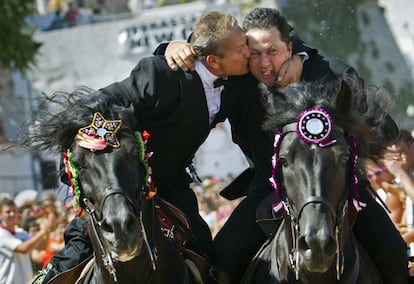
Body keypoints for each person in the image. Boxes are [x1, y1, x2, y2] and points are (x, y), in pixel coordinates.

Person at [162, 7, 408, 283]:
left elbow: (387, 129)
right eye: (255, 54)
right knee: (222, 257)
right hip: (268, 187)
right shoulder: (239, 82)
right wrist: (172, 48)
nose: (264, 64)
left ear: (290, 46)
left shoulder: (331, 71)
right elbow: (207, 60)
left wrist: (311, 82)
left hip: (340, 187)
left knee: (395, 253)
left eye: (273, 51)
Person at [32, 11, 256, 283]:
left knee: (205, 252)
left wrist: (176, 44)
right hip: (126, 184)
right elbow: (97, 105)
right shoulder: (160, 74)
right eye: (242, 48)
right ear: (213, 62)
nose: (250, 51)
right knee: (76, 249)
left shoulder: (236, 80)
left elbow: (215, 43)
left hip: (172, 184)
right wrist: (79, 164)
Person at [0, 197, 53, 284]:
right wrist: (42, 232)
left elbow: (41, 246)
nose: (12, 214)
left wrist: (47, 231)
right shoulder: (1, 234)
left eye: (14, 211)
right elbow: (23, 249)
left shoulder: (21, 233)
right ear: (0, 214)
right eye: (8, 212)